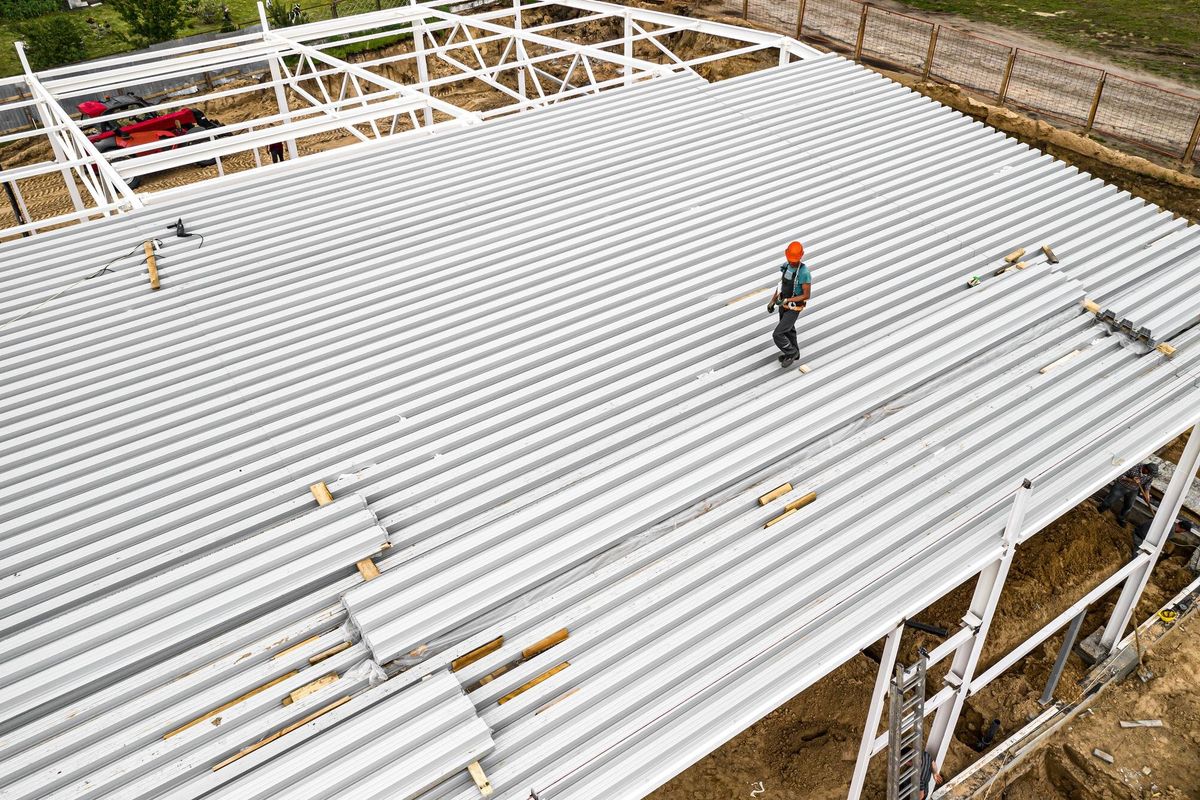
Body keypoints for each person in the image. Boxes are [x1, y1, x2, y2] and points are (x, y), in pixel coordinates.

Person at [769, 240, 811, 368]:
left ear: (801, 256)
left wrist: (788, 300)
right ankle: (794, 353)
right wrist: (772, 301)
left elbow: (806, 295)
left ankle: (790, 352)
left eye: (795, 259)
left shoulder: (804, 273)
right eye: (790, 259)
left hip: (793, 307)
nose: (792, 261)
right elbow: (781, 285)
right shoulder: (786, 266)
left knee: (778, 334)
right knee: (789, 330)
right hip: (783, 305)